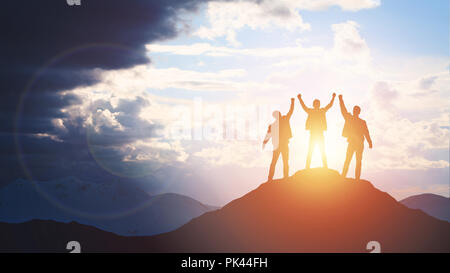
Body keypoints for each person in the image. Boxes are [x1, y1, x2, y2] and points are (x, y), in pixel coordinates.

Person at [338, 94, 373, 180]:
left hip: (359, 143)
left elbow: (366, 132)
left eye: (356, 110)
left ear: (358, 112)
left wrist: (370, 142)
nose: (355, 111)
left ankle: (354, 178)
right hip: (354, 142)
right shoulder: (350, 118)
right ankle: (345, 176)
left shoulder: (361, 122)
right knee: (349, 160)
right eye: (355, 110)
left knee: (356, 161)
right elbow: (343, 110)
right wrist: (341, 100)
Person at [297, 93, 336, 169]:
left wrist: (333, 98)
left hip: (319, 133)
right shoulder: (313, 111)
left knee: (321, 150)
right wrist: (300, 99)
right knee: (312, 150)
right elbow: (304, 107)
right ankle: (308, 167)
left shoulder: (320, 111)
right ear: (314, 104)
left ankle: (324, 166)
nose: (317, 104)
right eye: (316, 103)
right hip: (314, 133)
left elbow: (329, 105)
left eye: (317, 103)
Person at [263, 98, 294, 181]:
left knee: (281, 162)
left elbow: (290, 111)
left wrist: (292, 102)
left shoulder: (283, 120)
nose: (279, 116)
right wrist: (264, 142)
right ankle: (274, 178)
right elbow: (268, 135)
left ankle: (279, 177)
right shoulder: (275, 124)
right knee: (278, 162)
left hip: (281, 145)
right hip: (279, 145)